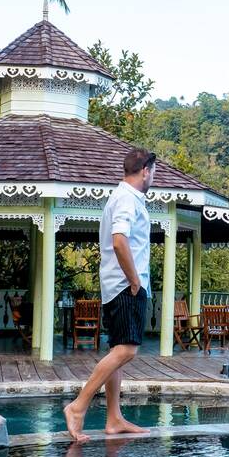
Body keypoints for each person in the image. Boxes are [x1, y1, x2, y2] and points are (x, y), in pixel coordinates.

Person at [64, 147, 156, 441]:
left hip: (115, 285)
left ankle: (114, 418)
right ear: (145, 171)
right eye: (153, 172)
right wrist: (134, 281)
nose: (153, 176)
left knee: (118, 349)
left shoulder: (120, 197)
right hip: (125, 286)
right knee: (127, 350)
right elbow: (119, 241)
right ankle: (78, 407)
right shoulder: (127, 199)